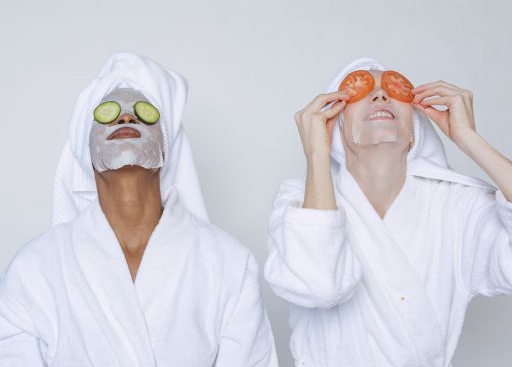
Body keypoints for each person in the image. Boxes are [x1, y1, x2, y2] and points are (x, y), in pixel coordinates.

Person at [0, 52, 278, 366]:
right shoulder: (32, 271)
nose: (126, 118)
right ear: (85, 148)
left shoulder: (230, 264)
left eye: (144, 113)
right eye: (109, 113)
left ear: (166, 146)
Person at [264, 57, 512, 366]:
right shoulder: (300, 201)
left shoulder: (455, 206)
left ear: (414, 131)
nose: (381, 94)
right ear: (336, 126)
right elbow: (319, 286)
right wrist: (316, 154)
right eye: (358, 88)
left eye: (395, 88)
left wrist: (469, 138)